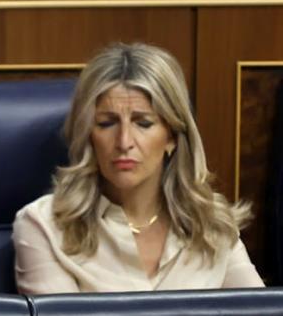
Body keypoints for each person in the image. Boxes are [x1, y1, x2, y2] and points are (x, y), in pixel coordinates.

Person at [13, 43, 263, 292]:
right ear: (88, 135)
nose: (124, 142)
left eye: (143, 123)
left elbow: (260, 310)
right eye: (107, 123)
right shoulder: (44, 227)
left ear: (172, 136)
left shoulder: (212, 226)